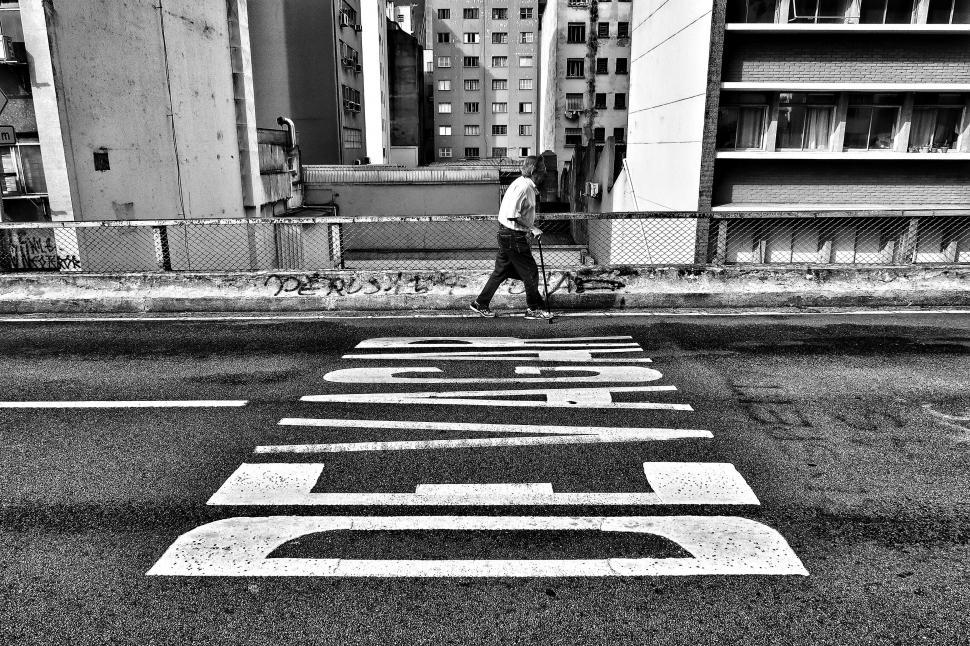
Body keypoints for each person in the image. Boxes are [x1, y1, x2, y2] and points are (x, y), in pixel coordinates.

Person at [470, 155, 552, 320]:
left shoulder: (522, 184)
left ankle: (480, 303)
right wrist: (533, 228)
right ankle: (534, 308)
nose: (546, 172)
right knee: (530, 272)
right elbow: (512, 215)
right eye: (543, 169)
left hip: (506, 234)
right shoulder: (524, 188)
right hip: (513, 236)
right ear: (535, 171)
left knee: (501, 271)